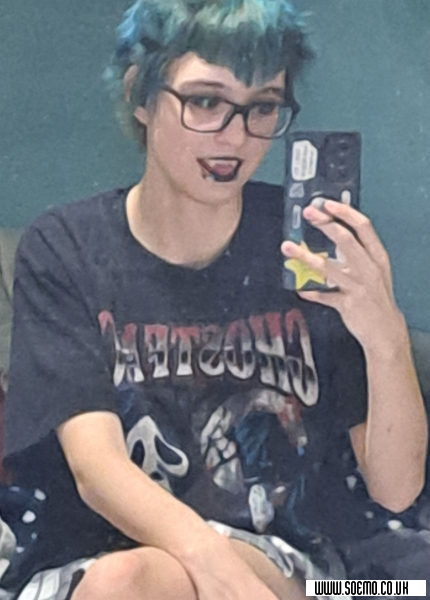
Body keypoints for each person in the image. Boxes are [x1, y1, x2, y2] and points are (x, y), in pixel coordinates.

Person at [1, 0, 428, 599]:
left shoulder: (302, 244)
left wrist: (385, 335)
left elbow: (397, 490)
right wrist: (214, 568)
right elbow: (97, 471)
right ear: (140, 94)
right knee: (126, 579)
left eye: (263, 106)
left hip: (287, 560)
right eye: (206, 101)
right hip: (100, 555)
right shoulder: (67, 248)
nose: (236, 135)